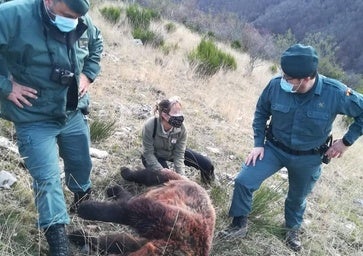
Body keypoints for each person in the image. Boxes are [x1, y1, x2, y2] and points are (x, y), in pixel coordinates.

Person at [220, 44, 363, 251]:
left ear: (306, 78)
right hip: (275, 149)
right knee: (244, 180)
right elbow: (261, 112)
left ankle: (291, 230)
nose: (283, 80)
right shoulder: (275, 85)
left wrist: (346, 142)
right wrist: (258, 144)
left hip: (309, 157)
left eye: (289, 78)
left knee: (297, 198)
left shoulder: (335, 93)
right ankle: (238, 223)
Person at [0, 0, 103, 255]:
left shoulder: (80, 19)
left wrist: (86, 75)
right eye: (67, 15)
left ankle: (81, 201)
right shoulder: (11, 15)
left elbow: (96, 43)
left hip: (71, 111)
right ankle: (58, 240)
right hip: (33, 116)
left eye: (77, 18)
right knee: (46, 180)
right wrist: (6, 86)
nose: (73, 22)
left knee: (80, 165)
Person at [141, 96, 215, 184]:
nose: (180, 116)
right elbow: (148, 153)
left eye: (180, 112)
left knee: (206, 164)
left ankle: (208, 185)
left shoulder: (181, 128)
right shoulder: (150, 126)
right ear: (164, 115)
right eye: (176, 113)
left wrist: (181, 176)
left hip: (171, 153)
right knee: (166, 180)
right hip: (154, 156)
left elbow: (179, 154)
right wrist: (161, 170)